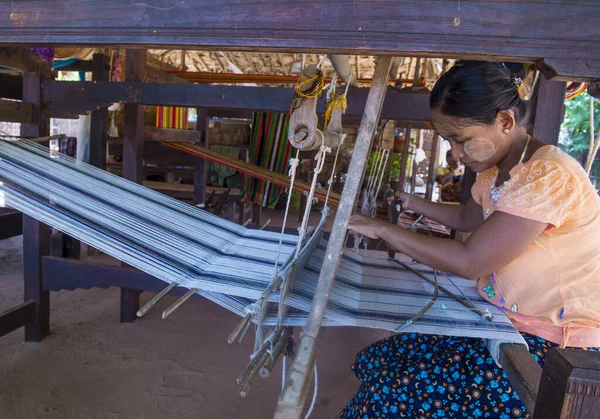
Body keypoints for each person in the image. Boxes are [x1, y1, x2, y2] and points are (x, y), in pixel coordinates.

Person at [342, 61, 600, 419]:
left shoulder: (547, 175)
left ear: (506, 122)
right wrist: (412, 203)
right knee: (380, 361)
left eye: (462, 140)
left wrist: (386, 230)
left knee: (390, 392)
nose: (455, 153)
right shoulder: (499, 172)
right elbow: (469, 217)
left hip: (551, 346)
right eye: (448, 140)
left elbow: (471, 261)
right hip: (503, 321)